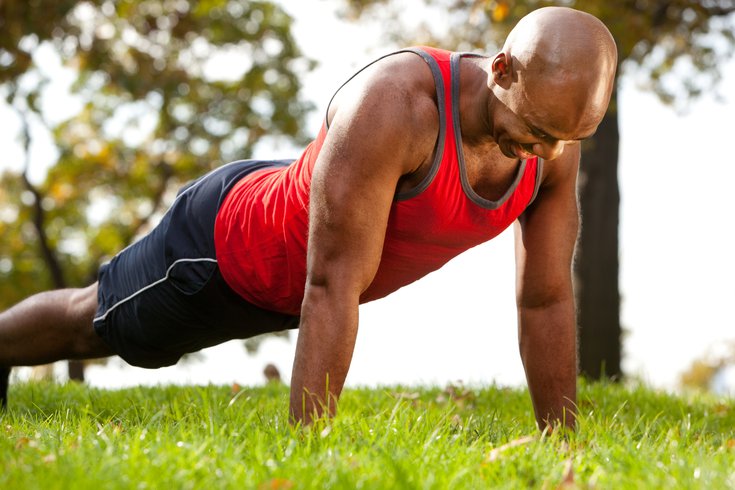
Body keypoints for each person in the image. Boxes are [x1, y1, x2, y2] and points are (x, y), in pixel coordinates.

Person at [0, 6, 617, 431]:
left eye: (567, 137)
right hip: (225, 251)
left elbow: (544, 300)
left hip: (303, 251)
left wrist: (559, 447)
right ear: (503, 69)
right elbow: (330, 286)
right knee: (97, 325)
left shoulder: (551, 137)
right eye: (536, 131)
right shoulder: (396, 106)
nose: (549, 152)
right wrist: (309, 456)